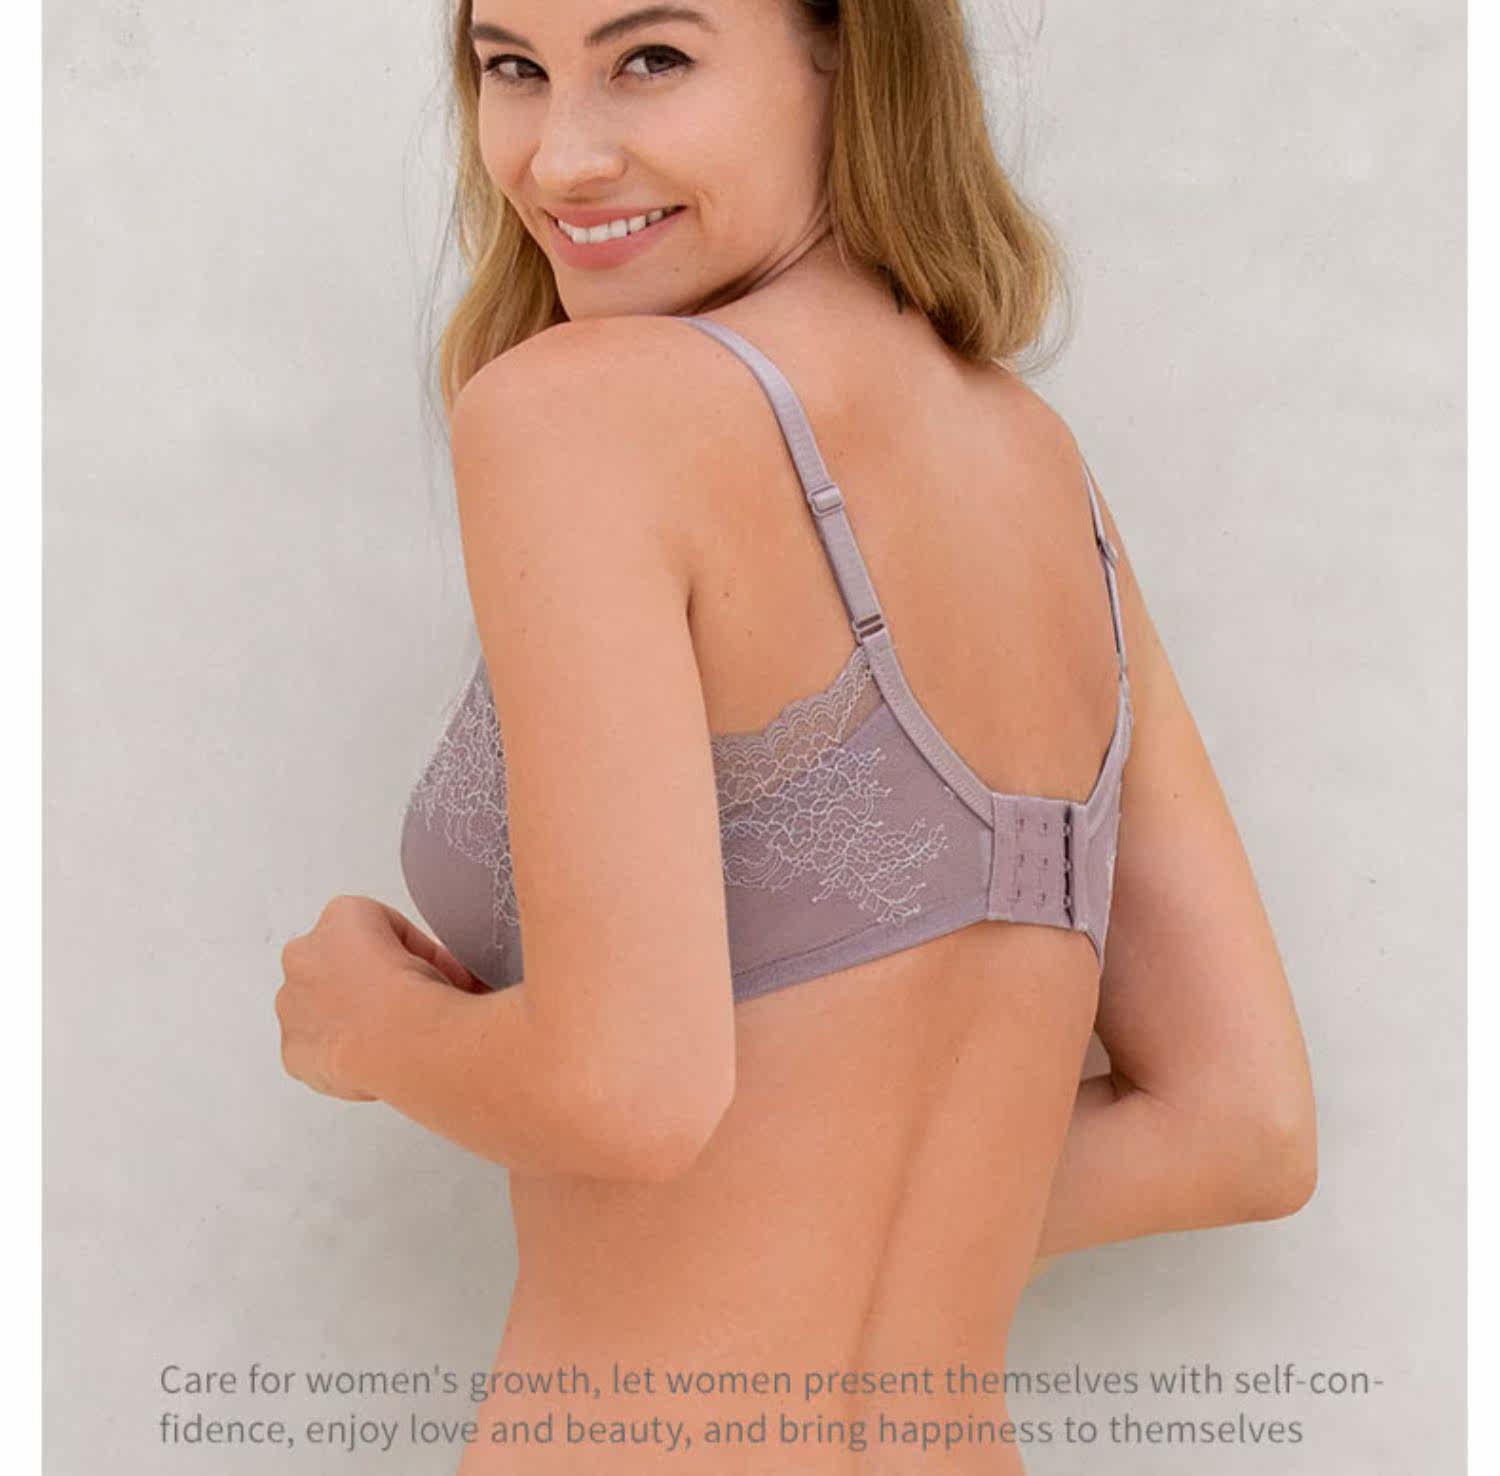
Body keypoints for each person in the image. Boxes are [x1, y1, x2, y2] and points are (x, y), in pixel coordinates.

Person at [276, 3, 1318, 1472]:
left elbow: (627, 1093)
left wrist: (373, 1030)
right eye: (514, 69)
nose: (559, 159)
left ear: (848, 48)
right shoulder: (1034, 463)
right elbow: (1240, 1126)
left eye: (651, 59)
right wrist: (868, 1219)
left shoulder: (582, 412)